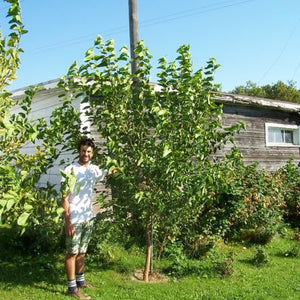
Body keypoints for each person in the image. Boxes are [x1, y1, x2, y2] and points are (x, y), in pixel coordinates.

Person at [61, 138, 115, 299]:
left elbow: (108, 172)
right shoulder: (70, 170)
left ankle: (81, 281)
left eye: (89, 151)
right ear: (79, 151)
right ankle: (72, 289)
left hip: (88, 217)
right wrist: (68, 221)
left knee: (82, 252)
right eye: (83, 151)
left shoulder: (93, 170)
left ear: (93, 153)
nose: (86, 154)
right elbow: (64, 198)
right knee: (72, 253)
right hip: (75, 219)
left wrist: (118, 166)